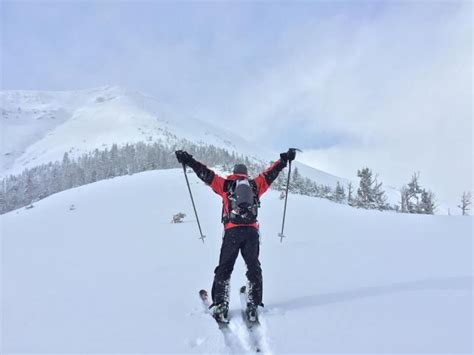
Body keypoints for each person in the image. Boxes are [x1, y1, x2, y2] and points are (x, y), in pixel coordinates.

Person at [175, 149, 296, 323]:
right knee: (253, 267)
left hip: (232, 232)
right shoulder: (255, 185)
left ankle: (221, 304)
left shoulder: (225, 185)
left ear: (234, 174)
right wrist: (284, 160)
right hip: (251, 233)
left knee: (224, 268)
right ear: (246, 175)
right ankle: (253, 304)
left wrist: (189, 160)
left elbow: (206, 174)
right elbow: (271, 174)